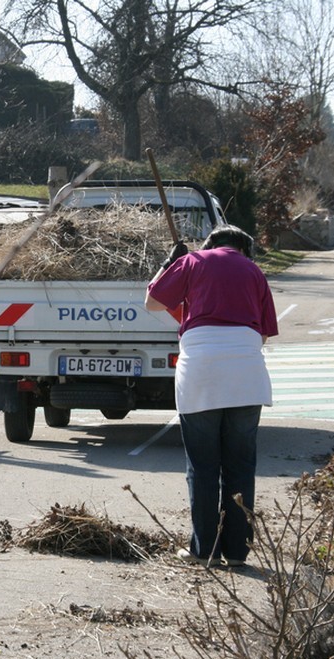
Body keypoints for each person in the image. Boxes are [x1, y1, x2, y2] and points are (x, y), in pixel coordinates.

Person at [144, 224, 278, 567]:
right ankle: (236, 553)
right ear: (244, 249)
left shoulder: (192, 262)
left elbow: (153, 302)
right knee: (241, 466)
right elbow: (262, 336)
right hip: (247, 376)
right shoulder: (255, 272)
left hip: (200, 371)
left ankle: (204, 550)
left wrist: (168, 264)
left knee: (203, 466)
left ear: (210, 244)